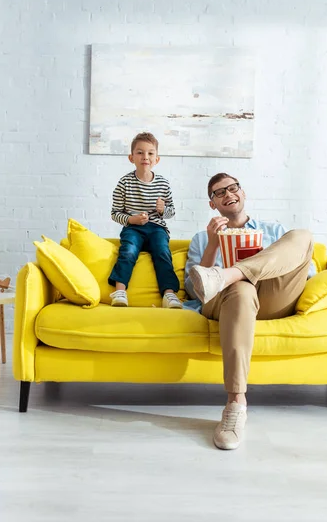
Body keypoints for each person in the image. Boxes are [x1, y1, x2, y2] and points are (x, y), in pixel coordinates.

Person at [184, 173, 314, 451]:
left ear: (242, 193)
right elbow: (195, 291)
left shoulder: (274, 231)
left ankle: (228, 274)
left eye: (233, 188)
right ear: (212, 204)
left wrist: (267, 262)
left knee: (303, 235)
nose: (228, 194)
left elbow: (308, 272)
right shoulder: (201, 237)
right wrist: (213, 243)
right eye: (220, 192)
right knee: (241, 290)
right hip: (226, 302)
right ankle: (235, 403)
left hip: (271, 297)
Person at [108, 132, 182, 309]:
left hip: (157, 228)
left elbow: (171, 211)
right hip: (133, 228)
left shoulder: (163, 183)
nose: (145, 157)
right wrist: (131, 219)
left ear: (157, 159)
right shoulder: (124, 183)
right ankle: (120, 291)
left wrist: (162, 210)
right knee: (128, 251)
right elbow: (115, 213)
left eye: (150, 153)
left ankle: (169, 294)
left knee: (162, 252)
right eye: (140, 153)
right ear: (131, 157)